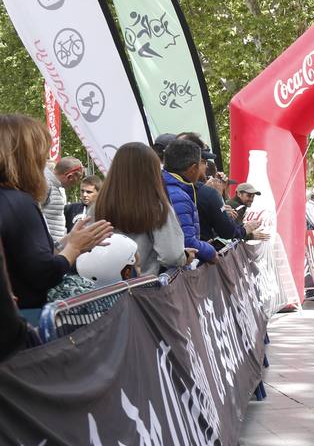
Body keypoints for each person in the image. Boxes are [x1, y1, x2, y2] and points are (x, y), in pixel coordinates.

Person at [0, 114, 112, 319]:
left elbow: (24, 257)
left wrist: (66, 242)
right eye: (40, 155)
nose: (44, 163)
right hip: (29, 322)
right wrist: (74, 248)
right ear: (25, 157)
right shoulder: (19, 203)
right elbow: (43, 274)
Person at [96, 142, 190, 275]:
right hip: (144, 286)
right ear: (152, 171)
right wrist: (185, 257)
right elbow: (172, 256)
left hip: (103, 287)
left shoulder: (98, 205)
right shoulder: (157, 207)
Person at [161, 138, 217, 263]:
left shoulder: (166, 186)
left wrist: (201, 244)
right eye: (201, 164)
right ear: (193, 168)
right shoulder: (178, 195)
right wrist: (211, 252)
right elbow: (186, 242)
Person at [42, 156, 85, 243]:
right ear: (70, 176)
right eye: (76, 181)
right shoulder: (45, 184)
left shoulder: (58, 187)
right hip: (46, 246)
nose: (74, 184)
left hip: (54, 245)